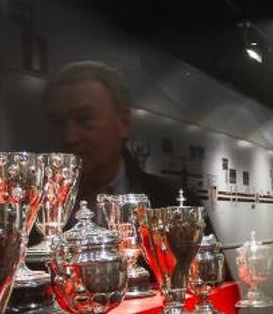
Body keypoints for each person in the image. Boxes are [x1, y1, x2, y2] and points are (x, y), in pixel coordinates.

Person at [44, 60, 181, 208]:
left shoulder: (173, 201)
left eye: (84, 119)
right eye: (58, 122)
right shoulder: (31, 205)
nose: (69, 137)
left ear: (123, 123)